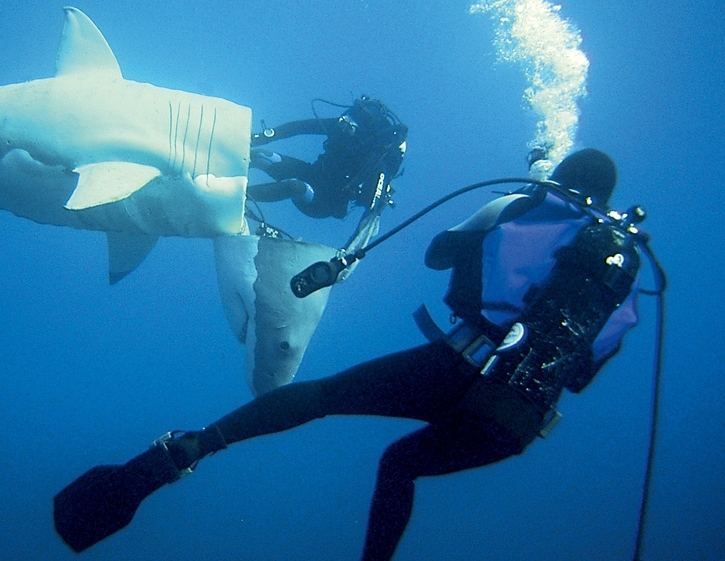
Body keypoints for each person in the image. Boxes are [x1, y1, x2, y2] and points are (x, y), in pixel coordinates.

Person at [54, 148, 643, 560]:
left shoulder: (521, 207)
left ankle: (186, 450)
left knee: (322, 398)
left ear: (558, 177)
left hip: (457, 365)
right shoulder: (623, 273)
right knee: (401, 465)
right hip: (519, 419)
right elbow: (585, 373)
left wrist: (509, 221)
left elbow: (437, 256)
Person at [247, 96, 409, 219]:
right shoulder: (342, 126)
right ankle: (225, 177)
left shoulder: (374, 159)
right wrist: (264, 137)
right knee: (259, 155)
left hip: (325, 202)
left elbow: (370, 204)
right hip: (313, 173)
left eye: (354, 122)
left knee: (295, 187)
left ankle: (237, 198)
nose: (345, 123)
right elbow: (301, 127)